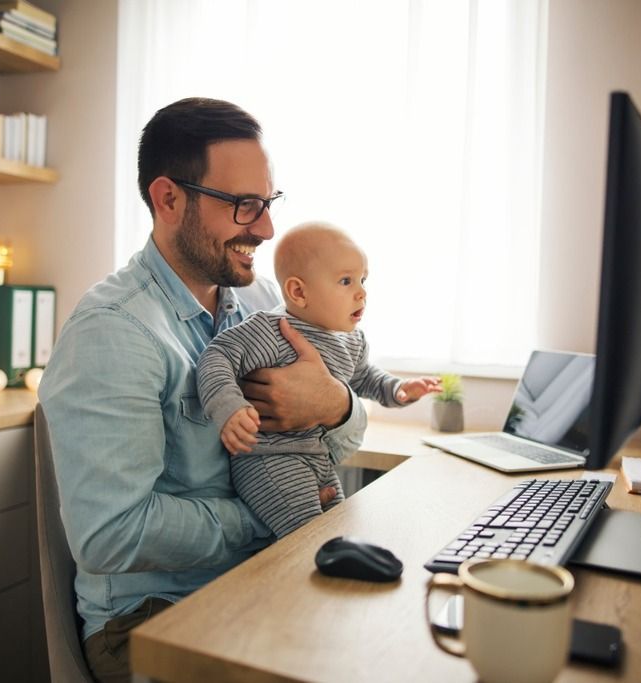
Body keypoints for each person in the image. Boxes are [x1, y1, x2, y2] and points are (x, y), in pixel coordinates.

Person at [37, 98, 367, 682]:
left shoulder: (269, 305)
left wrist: (335, 406)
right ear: (168, 199)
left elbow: (338, 440)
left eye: (268, 204)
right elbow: (112, 536)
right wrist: (269, 513)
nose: (266, 229)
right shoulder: (113, 332)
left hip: (260, 579)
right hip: (150, 620)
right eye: (244, 206)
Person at [197, 222, 441, 538]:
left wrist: (398, 389)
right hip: (270, 460)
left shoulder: (352, 341)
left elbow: (365, 377)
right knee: (310, 539)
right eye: (346, 281)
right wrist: (228, 406)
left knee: (339, 527)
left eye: (363, 279)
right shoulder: (271, 330)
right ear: (299, 292)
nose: (362, 292)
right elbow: (217, 356)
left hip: (319, 459)